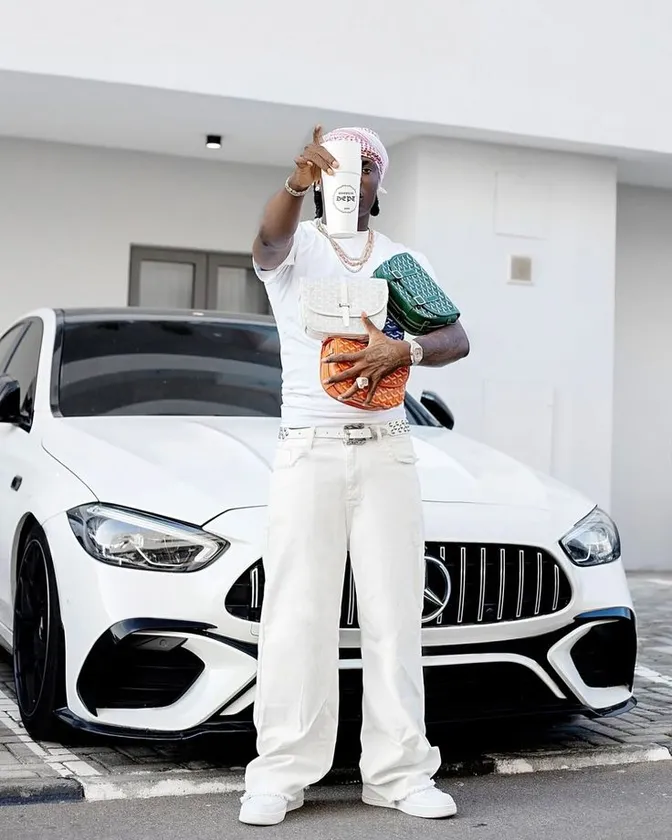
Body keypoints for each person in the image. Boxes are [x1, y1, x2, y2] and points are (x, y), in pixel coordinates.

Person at [239, 125, 470, 826]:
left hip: (387, 448)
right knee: (296, 616)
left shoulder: (401, 261)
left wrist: (404, 350)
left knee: (394, 616)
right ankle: (280, 774)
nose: (352, 174)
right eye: (339, 163)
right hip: (308, 448)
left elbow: (455, 337)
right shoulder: (297, 247)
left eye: (366, 164)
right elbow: (267, 242)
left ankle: (399, 774)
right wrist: (293, 184)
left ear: (379, 182)